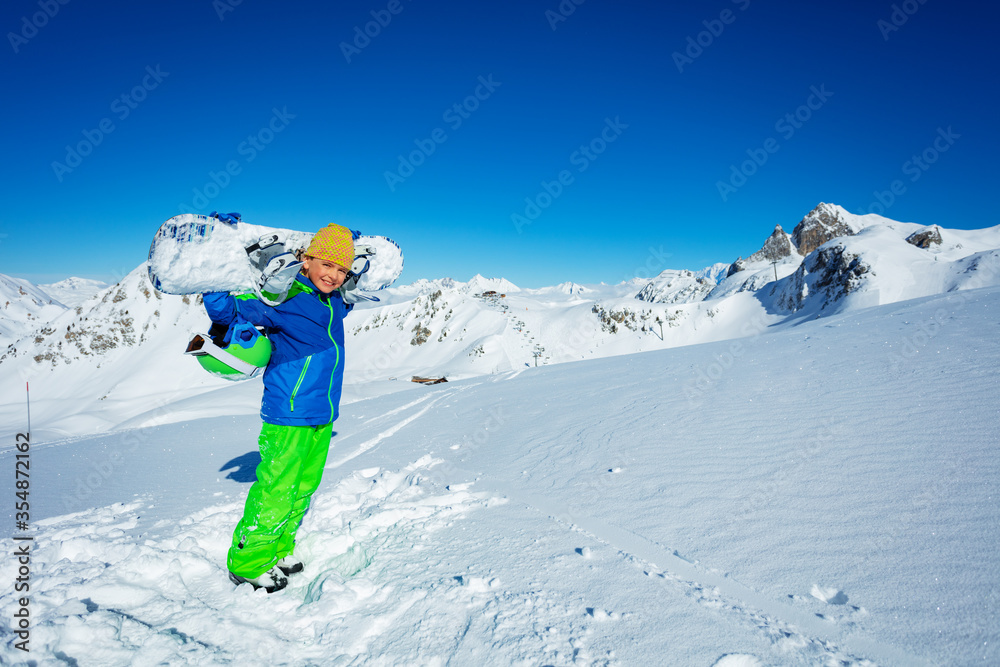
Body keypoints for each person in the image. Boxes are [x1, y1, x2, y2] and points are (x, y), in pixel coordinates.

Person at [202, 223, 356, 593]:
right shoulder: (283, 298)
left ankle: (278, 547)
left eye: (342, 270)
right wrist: (213, 272)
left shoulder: (334, 302)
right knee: (277, 488)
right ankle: (248, 562)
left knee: (303, 486)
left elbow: (346, 295)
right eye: (327, 264)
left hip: (321, 413)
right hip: (288, 413)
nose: (333, 276)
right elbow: (229, 312)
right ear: (306, 261)